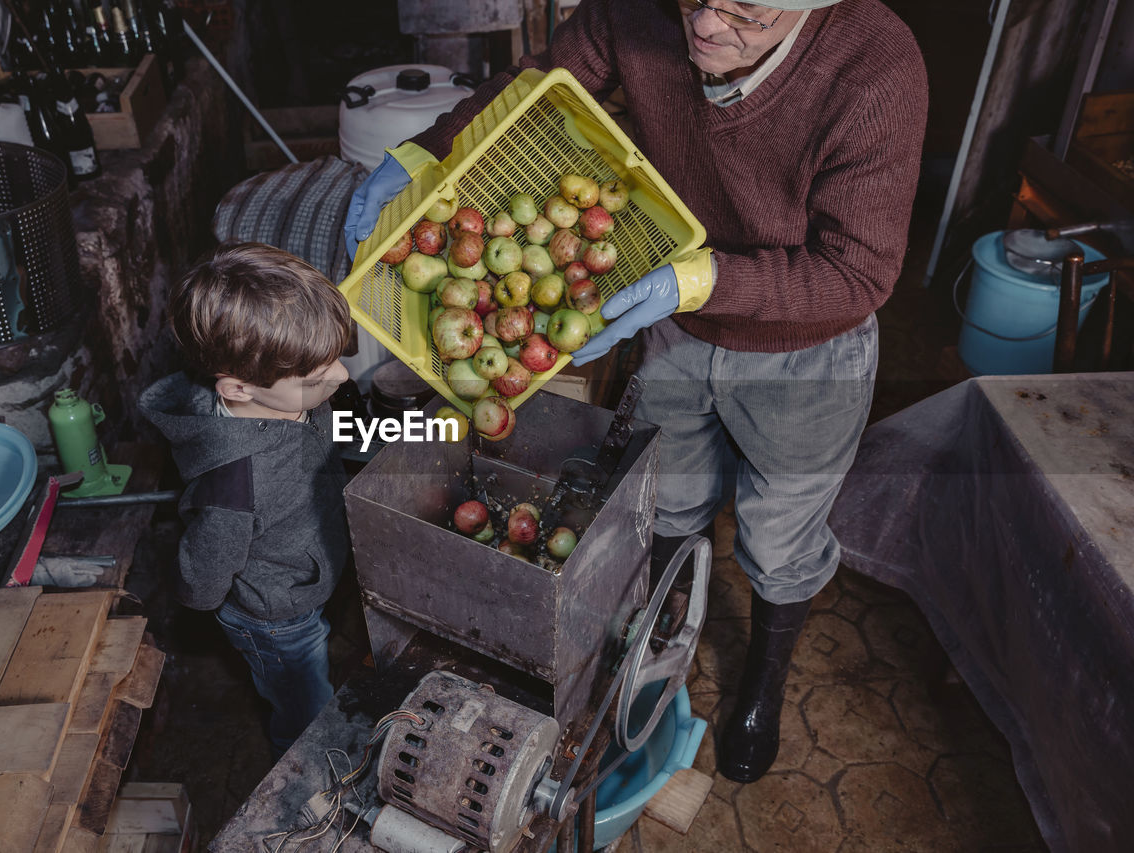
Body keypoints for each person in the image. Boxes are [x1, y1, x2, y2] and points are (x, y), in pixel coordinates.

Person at [344, 0, 926, 783]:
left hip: (805, 347)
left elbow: (856, 273)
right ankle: (661, 643)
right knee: (668, 498)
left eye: (745, 14)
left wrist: (703, 277)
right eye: (694, 0)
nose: (709, 26)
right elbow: (539, 84)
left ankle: (763, 679)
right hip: (679, 321)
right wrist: (425, 152)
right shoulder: (638, 7)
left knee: (780, 534)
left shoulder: (876, 70)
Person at [140, 242, 353, 758]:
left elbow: (326, 432)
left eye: (337, 361)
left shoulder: (284, 396)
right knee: (305, 702)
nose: (343, 378)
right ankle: (304, 765)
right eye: (316, 379)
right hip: (277, 615)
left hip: (305, 567)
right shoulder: (234, 484)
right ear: (237, 389)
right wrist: (203, 601)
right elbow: (207, 567)